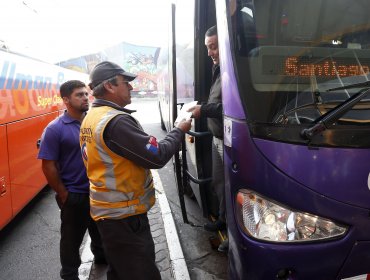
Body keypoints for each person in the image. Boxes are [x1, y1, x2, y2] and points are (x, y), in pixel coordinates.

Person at [80, 61, 192, 280]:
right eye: (126, 83)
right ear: (110, 86)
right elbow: (156, 155)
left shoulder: (92, 117)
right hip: (124, 218)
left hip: (109, 215)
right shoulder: (116, 122)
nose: (131, 87)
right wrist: (179, 129)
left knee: (120, 271)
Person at [38, 80, 106, 280]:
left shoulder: (93, 120)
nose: (85, 98)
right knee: (71, 241)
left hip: (99, 192)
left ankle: (102, 259)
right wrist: (63, 193)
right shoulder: (54, 129)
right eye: (79, 95)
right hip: (75, 195)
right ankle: (69, 274)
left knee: (100, 233)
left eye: (86, 94)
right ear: (66, 99)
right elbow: (47, 165)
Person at [187, 25, 228, 252]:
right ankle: (223, 219)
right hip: (216, 137)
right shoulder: (218, 68)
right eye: (208, 48)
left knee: (232, 188)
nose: (210, 52)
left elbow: (231, 107)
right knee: (219, 183)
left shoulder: (232, 70)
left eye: (214, 47)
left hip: (229, 139)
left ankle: (234, 236)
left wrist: (203, 109)